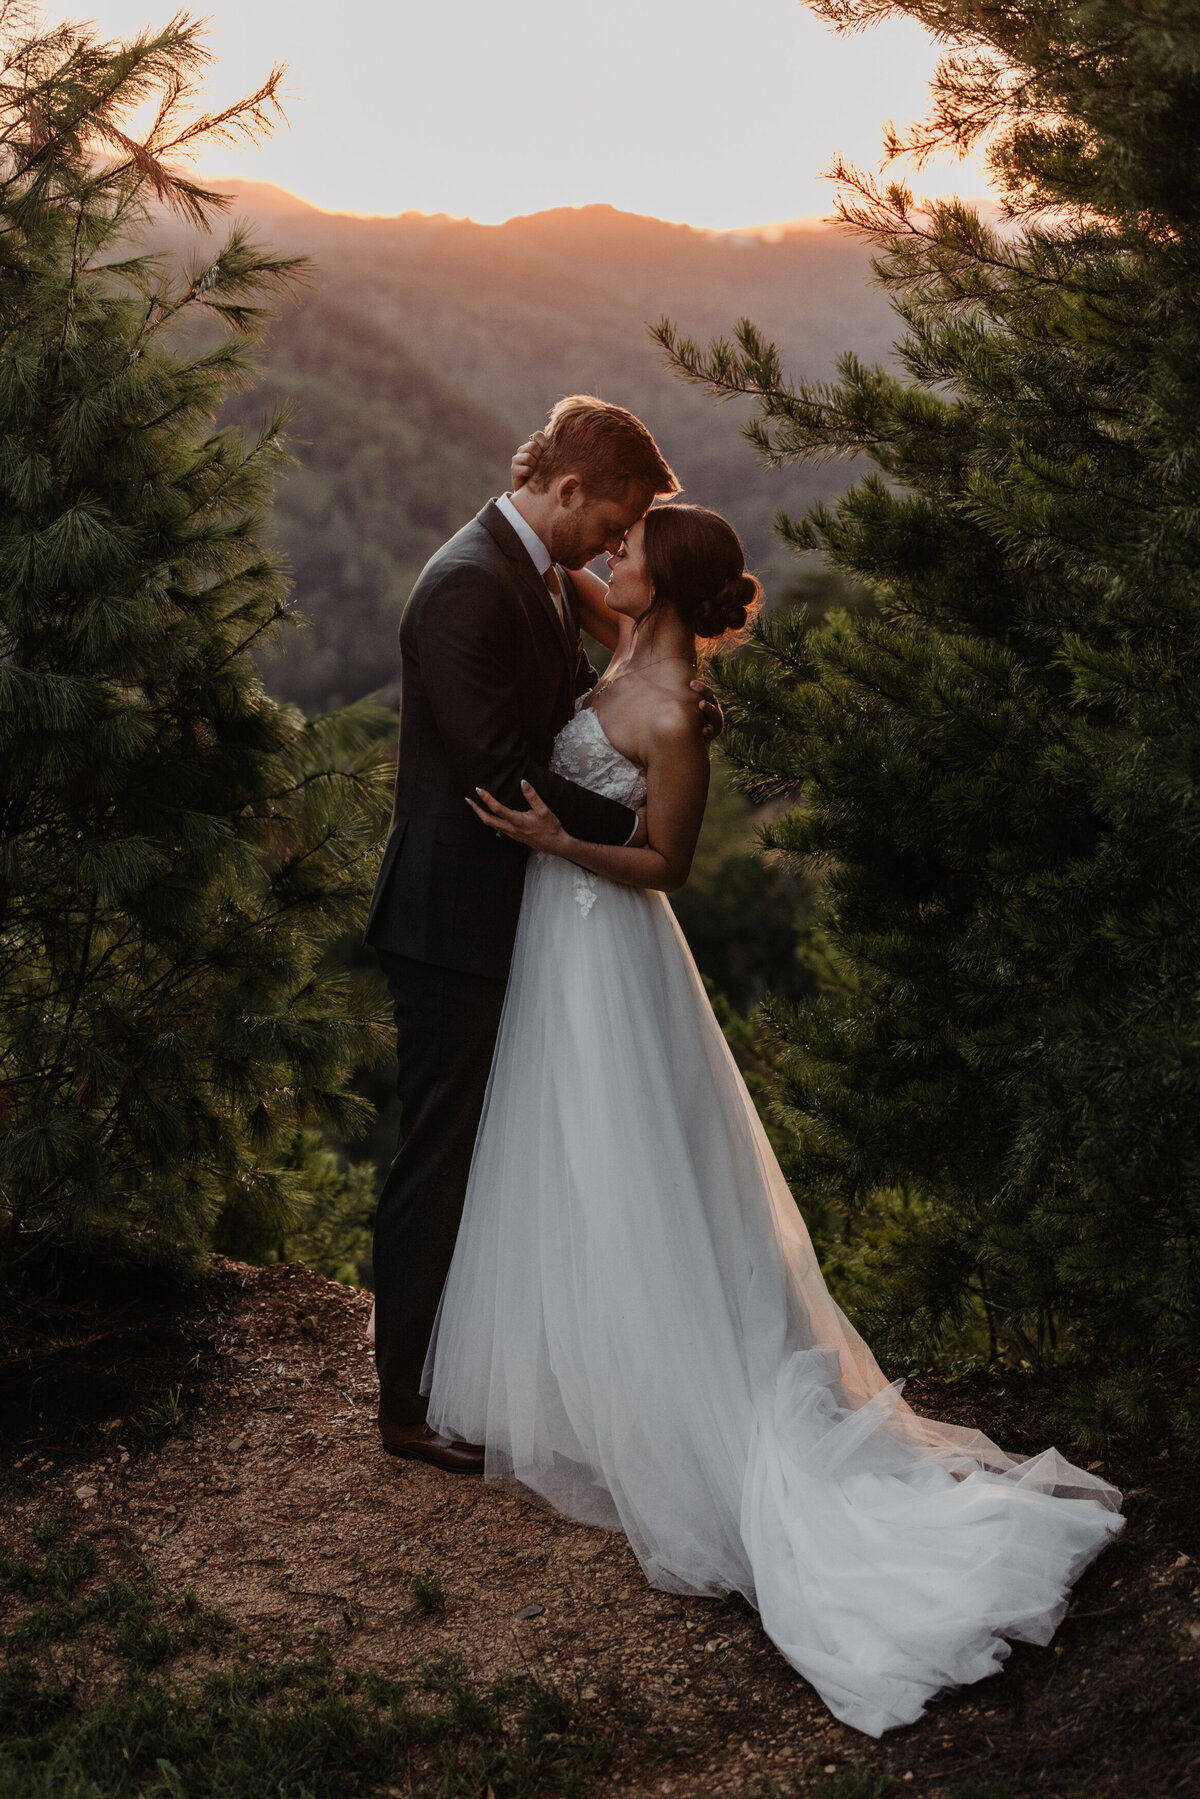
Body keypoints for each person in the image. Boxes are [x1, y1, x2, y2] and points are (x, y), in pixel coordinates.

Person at [419, 442, 1124, 1737]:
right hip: (559, 943)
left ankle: (700, 1424)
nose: (609, 552)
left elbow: (666, 861)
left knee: (638, 1165)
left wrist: (551, 837)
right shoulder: (624, 633)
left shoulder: (674, 707)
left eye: (630, 547)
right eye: (613, 541)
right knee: (569, 1160)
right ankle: (603, 1385)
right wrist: (540, 508)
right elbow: (546, 561)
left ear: (665, 589)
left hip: (607, 942)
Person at [362, 397, 721, 1471]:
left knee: (502, 1149)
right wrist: (655, 808)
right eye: (614, 520)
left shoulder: (529, 568)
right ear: (568, 490)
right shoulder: (469, 583)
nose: (616, 543)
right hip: (449, 918)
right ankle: (405, 1399)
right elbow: (500, 772)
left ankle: (490, 1362)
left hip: (516, 916)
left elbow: (571, 703)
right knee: (438, 1154)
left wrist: (670, 715)